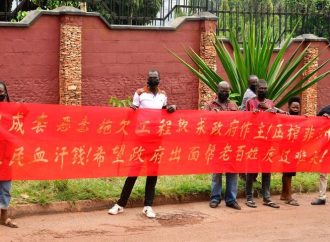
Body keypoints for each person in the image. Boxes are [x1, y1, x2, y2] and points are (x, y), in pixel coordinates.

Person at [108, 70, 176, 218]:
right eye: (151, 79)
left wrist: (172, 108)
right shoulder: (139, 94)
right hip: (141, 138)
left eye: (156, 79)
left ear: (159, 80)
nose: (153, 81)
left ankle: (148, 206)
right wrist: (130, 112)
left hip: (157, 138)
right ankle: (120, 204)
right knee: (134, 171)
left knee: (152, 173)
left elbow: (164, 111)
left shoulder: (163, 95)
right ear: (147, 80)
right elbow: (133, 111)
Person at [245, 79, 280, 209]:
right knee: (252, 171)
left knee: (267, 170)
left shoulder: (270, 103)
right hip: (254, 142)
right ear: (256, 89)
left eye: (265, 88)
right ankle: (249, 197)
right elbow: (244, 119)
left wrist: (270, 110)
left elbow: (275, 120)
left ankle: (267, 197)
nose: (263, 90)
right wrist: (252, 115)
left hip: (267, 142)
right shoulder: (250, 102)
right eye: (261, 88)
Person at [208, 81, 241, 210]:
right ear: (217, 91)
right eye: (223, 90)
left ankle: (231, 200)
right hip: (217, 144)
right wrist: (212, 116)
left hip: (231, 143)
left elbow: (240, 121)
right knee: (217, 172)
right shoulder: (210, 105)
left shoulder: (233, 105)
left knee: (232, 171)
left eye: (227, 91)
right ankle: (215, 198)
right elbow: (203, 122)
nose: (225, 93)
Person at [0, 81, 18, 228]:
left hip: (6, 156)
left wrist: (23, 109)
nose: (1, 94)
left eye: (2, 91)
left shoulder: (10, 111)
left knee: (5, 188)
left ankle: (4, 217)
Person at [280, 96, 301, 206]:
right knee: (288, 172)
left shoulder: (301, 119)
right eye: (293, 107)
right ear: (288, 107)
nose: (296, 108)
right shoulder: (285, 117)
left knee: (289, 173)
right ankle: (289, 196)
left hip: (295, 149)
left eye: (298, 107)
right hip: (286, 149)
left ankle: (284, 194)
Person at [311, 105, 330, 205]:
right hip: (325, 147)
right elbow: (315, 122)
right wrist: (323, 118)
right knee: (323, 173)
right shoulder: (325, 109)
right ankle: (322, 197)